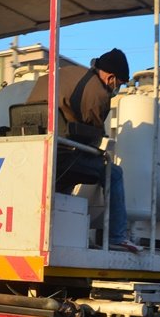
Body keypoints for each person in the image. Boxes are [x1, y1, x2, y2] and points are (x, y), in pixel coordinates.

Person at [26, 48, 140, 253]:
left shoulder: (65, 72)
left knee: (65, 177)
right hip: (59, 154)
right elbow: (93, 139)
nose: (117, 89)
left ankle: (55, 232)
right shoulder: (98, 94)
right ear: (112, 77)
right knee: (113, 173)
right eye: (120, 84)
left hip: (31, 151)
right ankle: (117, 236)